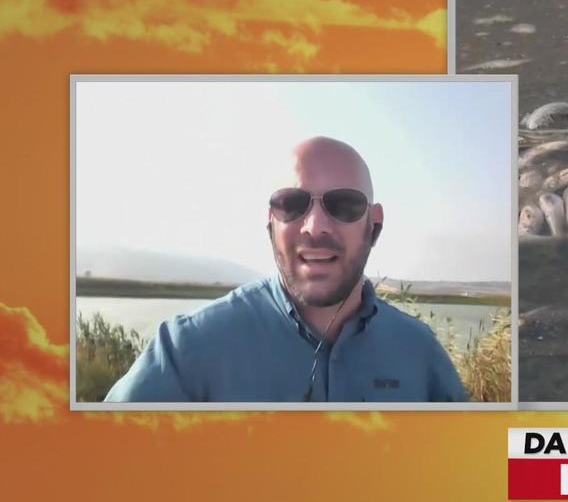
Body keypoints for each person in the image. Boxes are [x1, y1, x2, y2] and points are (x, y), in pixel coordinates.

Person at [105, 137, 470, 403]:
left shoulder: (420, 354)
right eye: (292, 204)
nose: (314, 226)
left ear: (374, 225)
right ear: (270, 222)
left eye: (343, 205)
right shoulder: (188, 351)